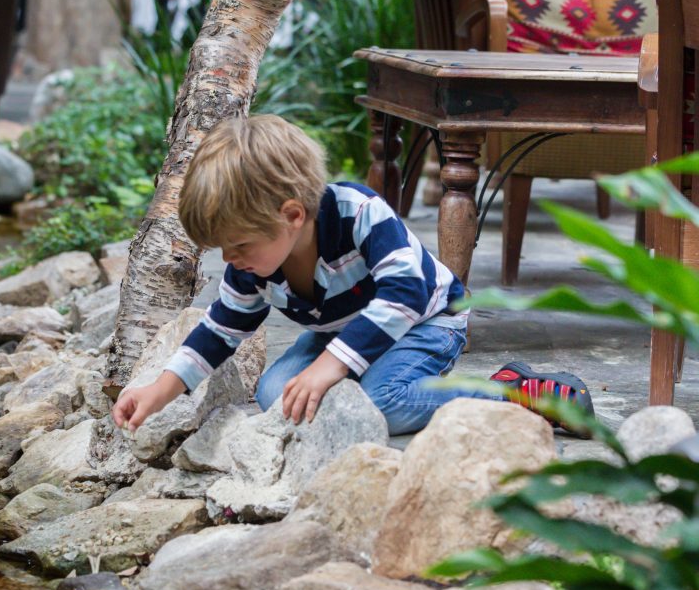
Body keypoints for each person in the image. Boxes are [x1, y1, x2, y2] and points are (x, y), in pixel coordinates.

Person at [112, 115, 593, 435]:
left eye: (238, 245)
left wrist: (330, 366)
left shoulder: (359, 213)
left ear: (292, 215)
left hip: (426, 323)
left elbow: (407, 292)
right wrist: (161, 388)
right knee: (277, 398)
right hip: (346, 333)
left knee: (379, 401)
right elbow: (221, 330)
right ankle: (350, 369)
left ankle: (511, 391)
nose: (231, 259)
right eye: (224, 249)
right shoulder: (252, 262)